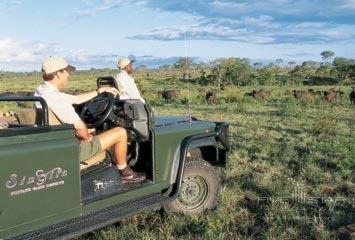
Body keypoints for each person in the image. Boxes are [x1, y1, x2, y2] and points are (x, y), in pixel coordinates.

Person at [35, 56, 146, 183]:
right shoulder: (57, 99)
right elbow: (79, 127)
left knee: (93, 128)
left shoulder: (42, 91)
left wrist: (100, 91)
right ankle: (125, 172)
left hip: (58, 142)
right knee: (120, 132)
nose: (68, 75)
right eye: (66, 71)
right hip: (73, 150)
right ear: (58, 73)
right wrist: (89, 138)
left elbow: (75, 99)